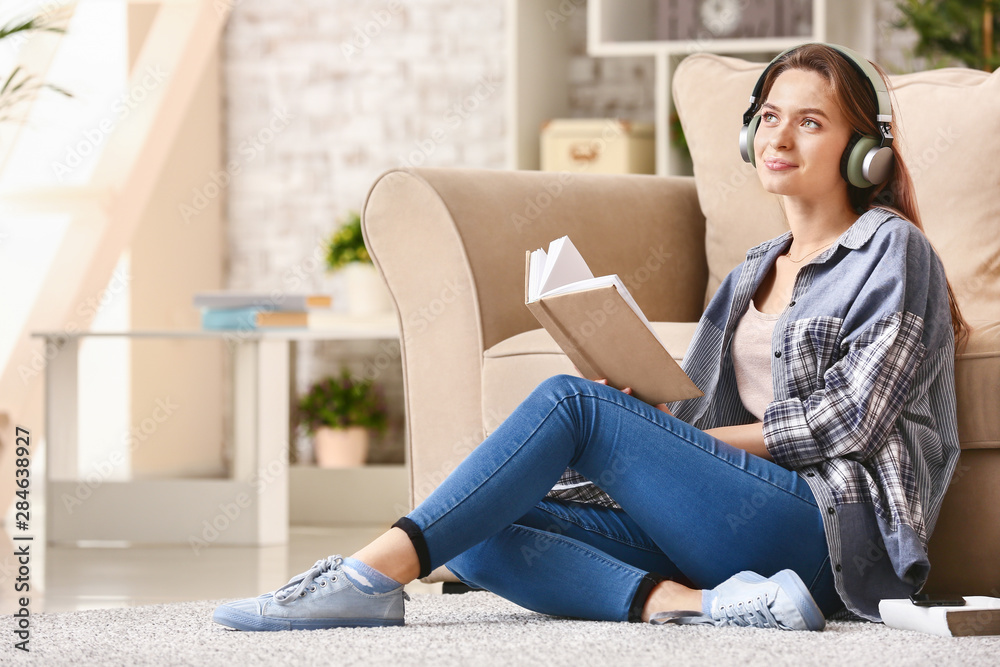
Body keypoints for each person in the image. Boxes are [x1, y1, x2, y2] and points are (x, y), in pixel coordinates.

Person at [213, 43, 966, 632]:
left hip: (827, 529)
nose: (780, 135)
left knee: (570, 407)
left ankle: (362, 578)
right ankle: (696, 606)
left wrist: (650, 441)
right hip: (725, 542)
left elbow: (850, 422)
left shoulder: (894, 252)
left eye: (811, 121)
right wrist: (646, 429)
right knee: (469, 523)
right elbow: (694, 422)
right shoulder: (748, 275)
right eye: (769, 116)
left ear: (864, 151)